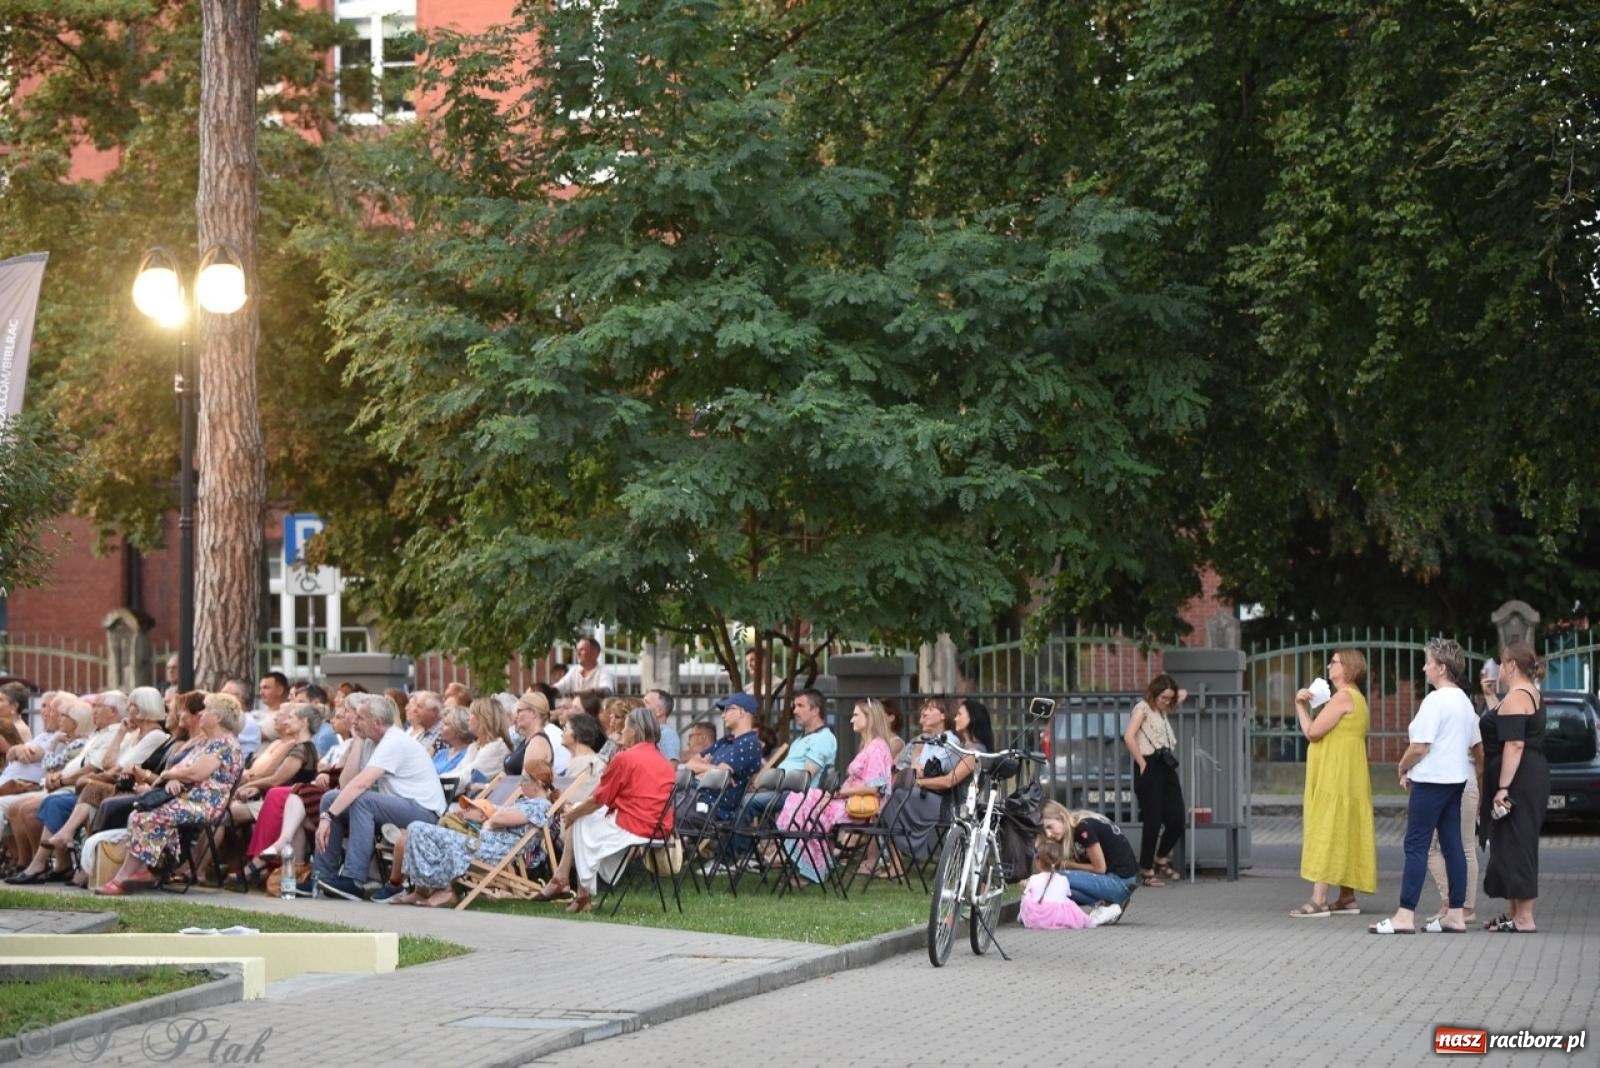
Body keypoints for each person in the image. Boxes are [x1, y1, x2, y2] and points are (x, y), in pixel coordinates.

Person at [1370, 638, 1478, 935]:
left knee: (1415, 845)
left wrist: (1403, 766)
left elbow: (1420, 746)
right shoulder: (1464, 702)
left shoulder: (1436, 701)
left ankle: (1405, 915)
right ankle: (1455, 913)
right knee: (1453, 844)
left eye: (1428, 662)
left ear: (1441, 668)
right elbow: (1472, 743)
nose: (1424, 667)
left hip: (1431, 781)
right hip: (1456, 780)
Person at [95, 691, 244, 896]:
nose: (202, 713)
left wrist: (168, 773)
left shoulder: (224, 744)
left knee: (148, 817)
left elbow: (195, 772)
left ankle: (127, 876)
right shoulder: (207, 742)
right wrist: (173, 777)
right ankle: (146, 869)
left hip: (205, 804)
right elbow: (183, 768)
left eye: (207, 710)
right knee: (138, 814)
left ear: (217, 717)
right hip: (187, 798)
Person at [314, 693, 446, 901]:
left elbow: (362, 784)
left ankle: (353, 880)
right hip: (396, 807)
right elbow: (345, 785)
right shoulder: (370, 741)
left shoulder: (393, 741)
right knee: (331, 797)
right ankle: (321, 876)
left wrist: (327, 817)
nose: (354, 721)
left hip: (423, 812)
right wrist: (357, 741)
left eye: (360, 718)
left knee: (362, 799)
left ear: (376, 722)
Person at [541, 706, 674, 912]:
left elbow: (599, 799)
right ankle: (569, 884)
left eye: (625, 727)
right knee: (579, 814)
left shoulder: (626, 758)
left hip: (634, 825)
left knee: (579, 817)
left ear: (635, 730)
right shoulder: (664, 761)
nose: (621, 732)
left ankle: (577, 891)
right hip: (658, 827)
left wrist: (572, 815)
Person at [1290, 648, 1377, 917]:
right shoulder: (1357, 698)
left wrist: (1299, 706)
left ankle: (1319, 900)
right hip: (1350, 776)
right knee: (1346, 829)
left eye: (1335, 662)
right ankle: (1347, 897)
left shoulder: (1342, 698)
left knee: (1328, 829)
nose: (1329, 666)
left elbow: (1313, 732)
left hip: (1335, 775)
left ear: (1348, 668)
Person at [777, 698, 892, 884]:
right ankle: (811, 865)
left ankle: (811, 870)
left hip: (861, 808)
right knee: (803, 801)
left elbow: (873, 787)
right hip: (848, 801)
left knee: (809, 811)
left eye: (856, 715)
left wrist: (838, 793)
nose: (851, 720)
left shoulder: (878, 748)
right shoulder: (868, 747)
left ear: (869, 718)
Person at [394, 777, 556, 908]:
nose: (520, 784)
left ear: (538, 784)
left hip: (489, 849)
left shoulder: (541, 805)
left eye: (526, 780)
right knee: (416, 829)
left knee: (420, 830)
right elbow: (499, 817)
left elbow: (499, 818)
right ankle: (421, 890)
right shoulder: (525, 803)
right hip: (479, 841)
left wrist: (492, 820)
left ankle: (445, 891)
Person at [1480, 642, 1548, 933]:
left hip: (1519, 779)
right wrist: (1490, 696)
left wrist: (1503, 787)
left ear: (1510, 665)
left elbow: (1514, 743)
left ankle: (1524, 917)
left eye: (1501, 662)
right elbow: (1507, 725)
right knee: (1511, 841)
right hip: (1531, 774)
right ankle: (1515, 912)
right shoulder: (1529, 693)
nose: (1499, 667)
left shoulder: (1517, 696)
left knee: (1518, 842)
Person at [1123, 674, 1188, 887]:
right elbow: (1129, 736)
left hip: (1166, 764)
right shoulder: (1142, 708)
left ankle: (1161, 857)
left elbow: (1182, 694)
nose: (1167, 701)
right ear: (1154, 694)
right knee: (1153, 819)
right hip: (1149, 764)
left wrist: (1172, 692)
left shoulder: (1162, 710)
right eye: (1163, 697)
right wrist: (1142, 763)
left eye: (1169, 698)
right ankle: (1147, 869)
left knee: (1177, 817)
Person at [889, 696, 971, 861]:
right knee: (888, 798)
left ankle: (900, 861)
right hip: (922, 795)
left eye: (930, 709)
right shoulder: (928, 741)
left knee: (890, 798)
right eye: (924, 709)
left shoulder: (949, 741)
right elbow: (915, 769)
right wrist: (917, 758)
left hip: (940, 802)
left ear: (943, 715)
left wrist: (916, 767)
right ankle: (897, 861)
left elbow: (924, 772)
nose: (924, 713)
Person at [1037, 799, 1140, 909]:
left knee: (1055, 877)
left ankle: (1111, 902)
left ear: (1062, 816)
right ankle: (1108, 905)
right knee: (1062, 889)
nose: (1048, 834)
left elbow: (1100, 868)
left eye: (1049, 827)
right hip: (1115, 882)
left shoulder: (1083, 828)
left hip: (1120, 882)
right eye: (1044, 831)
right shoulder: (1074, 829)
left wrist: (1067, 865)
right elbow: (1043, 867)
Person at [1020, 839, 1123, 929]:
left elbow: (1027, 894)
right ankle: (1097, 916)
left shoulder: (1034, 879)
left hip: (1037, 919)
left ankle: (1023, 916)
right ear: (1059, 861)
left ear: (1038, 862)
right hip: (1059, 917)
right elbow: (1067, 896)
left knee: (1027, 897)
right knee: (1068, 903)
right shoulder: (1063, 879)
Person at [432, 705, 474, 776]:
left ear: (458, 728)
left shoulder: (469, 754)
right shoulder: (441, 753)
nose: (441, 727)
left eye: (446, 724)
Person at [644, 689, 681, 762]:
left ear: (659, 711)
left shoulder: (667, 734)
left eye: (646, 703)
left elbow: (671, 767)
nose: (640, 706)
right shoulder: (651, 733)